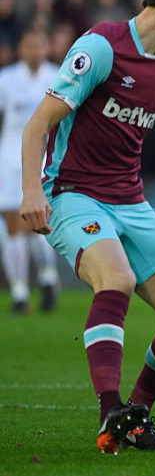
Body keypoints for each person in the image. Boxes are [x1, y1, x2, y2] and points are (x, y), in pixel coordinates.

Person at [19, 0, 155, 453]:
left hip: (131, 200)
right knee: (118, 279)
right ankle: (110, 410)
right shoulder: (100, 47)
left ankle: (136, 418)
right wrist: (31, 191)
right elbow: (38, 124)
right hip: (74, 193)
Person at [0, 27, 62, 314]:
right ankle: (20, 292)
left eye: (39, 45)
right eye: (29, 45)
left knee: (38, 223)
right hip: (10, 158)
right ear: (21, 49)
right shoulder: (7, 79)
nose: (34, 51)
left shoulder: (58, 76)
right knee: (13, 224)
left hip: (44, 158)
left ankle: (48, 277)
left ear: (46, 48)